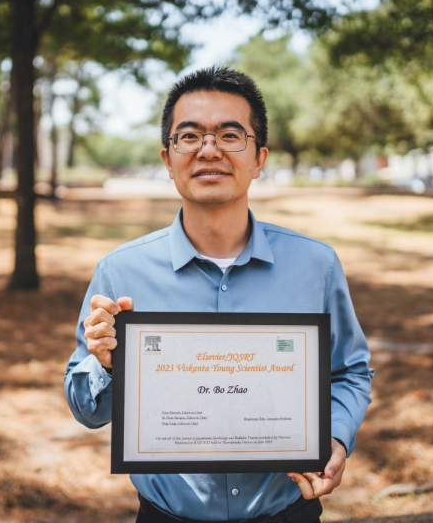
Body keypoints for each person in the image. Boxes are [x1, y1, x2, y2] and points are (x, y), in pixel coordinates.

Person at [64, 66, 374, 523]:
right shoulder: (121, 272)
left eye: (231, 135)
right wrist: (108, 365)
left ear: (259, 158)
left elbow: (349, 371)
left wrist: (335, 437)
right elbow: (86, 411)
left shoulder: (316, 266)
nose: (209, 150)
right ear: (168, 160)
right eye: (189, 137)